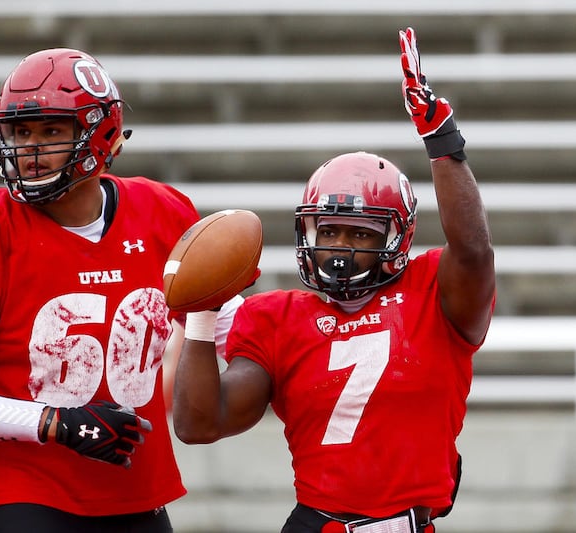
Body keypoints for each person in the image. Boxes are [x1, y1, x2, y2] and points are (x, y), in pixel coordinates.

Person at [172, 27, 496, 533]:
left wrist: (442, 141)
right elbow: (199, 424)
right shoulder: (276, 317)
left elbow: (474, 252)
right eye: (330, 230)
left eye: (360, 234)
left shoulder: (434, 294)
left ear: (397, 237)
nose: (340, 246)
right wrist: (201, 314)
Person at [0, 47, 235, 533]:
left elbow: (238, 334)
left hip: (139, 493)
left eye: (51, 131)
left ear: (101, 133)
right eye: (20, 132)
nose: (30, 149)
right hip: (30, 496)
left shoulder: (162, 212)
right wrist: (55, 423)